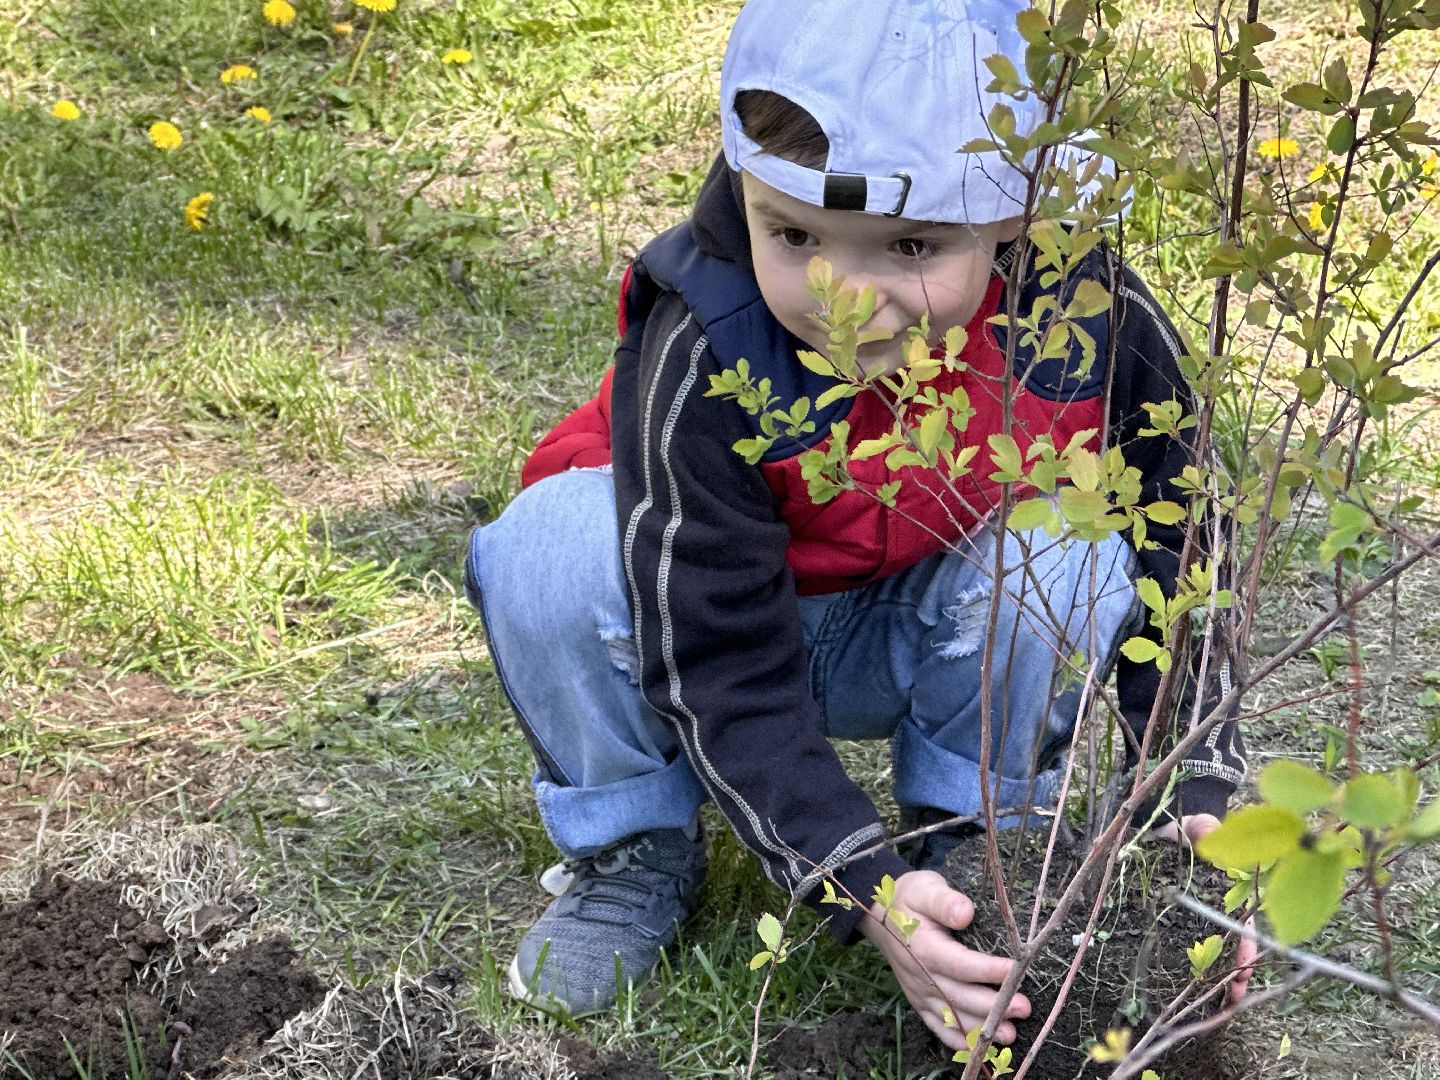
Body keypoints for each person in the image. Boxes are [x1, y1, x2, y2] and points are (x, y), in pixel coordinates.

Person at [464, 0, 1248, 1051]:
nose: (842, 296)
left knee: (1073, 549)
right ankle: (634, 846)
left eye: (911, 245)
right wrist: (851, 876)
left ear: (1014, 220)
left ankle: (972, 852)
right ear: (741, 192)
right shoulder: (710, 343)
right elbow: (721, 654)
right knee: (548, 551)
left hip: (927, 609)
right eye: (792, 235)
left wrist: (1192, 776)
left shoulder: (1080, 313)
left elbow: (1177, 528)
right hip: (706, 621)